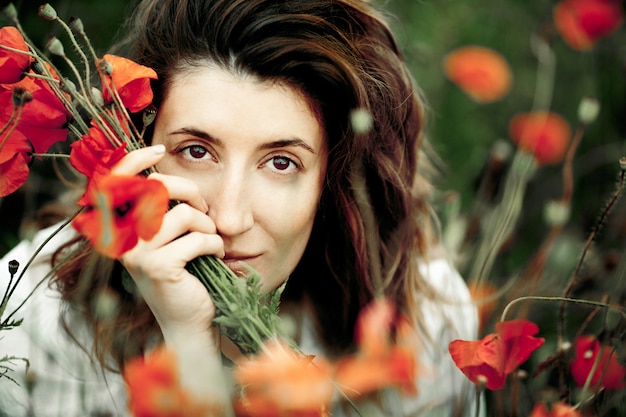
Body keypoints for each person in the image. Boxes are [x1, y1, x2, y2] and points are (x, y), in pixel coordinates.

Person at [0, 0, 480, 415]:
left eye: (280, 162)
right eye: (196, 151)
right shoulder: (35, 321)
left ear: (333, 181)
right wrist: (188, 343)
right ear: (135, 144)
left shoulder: (426, 324)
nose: (228, 220)